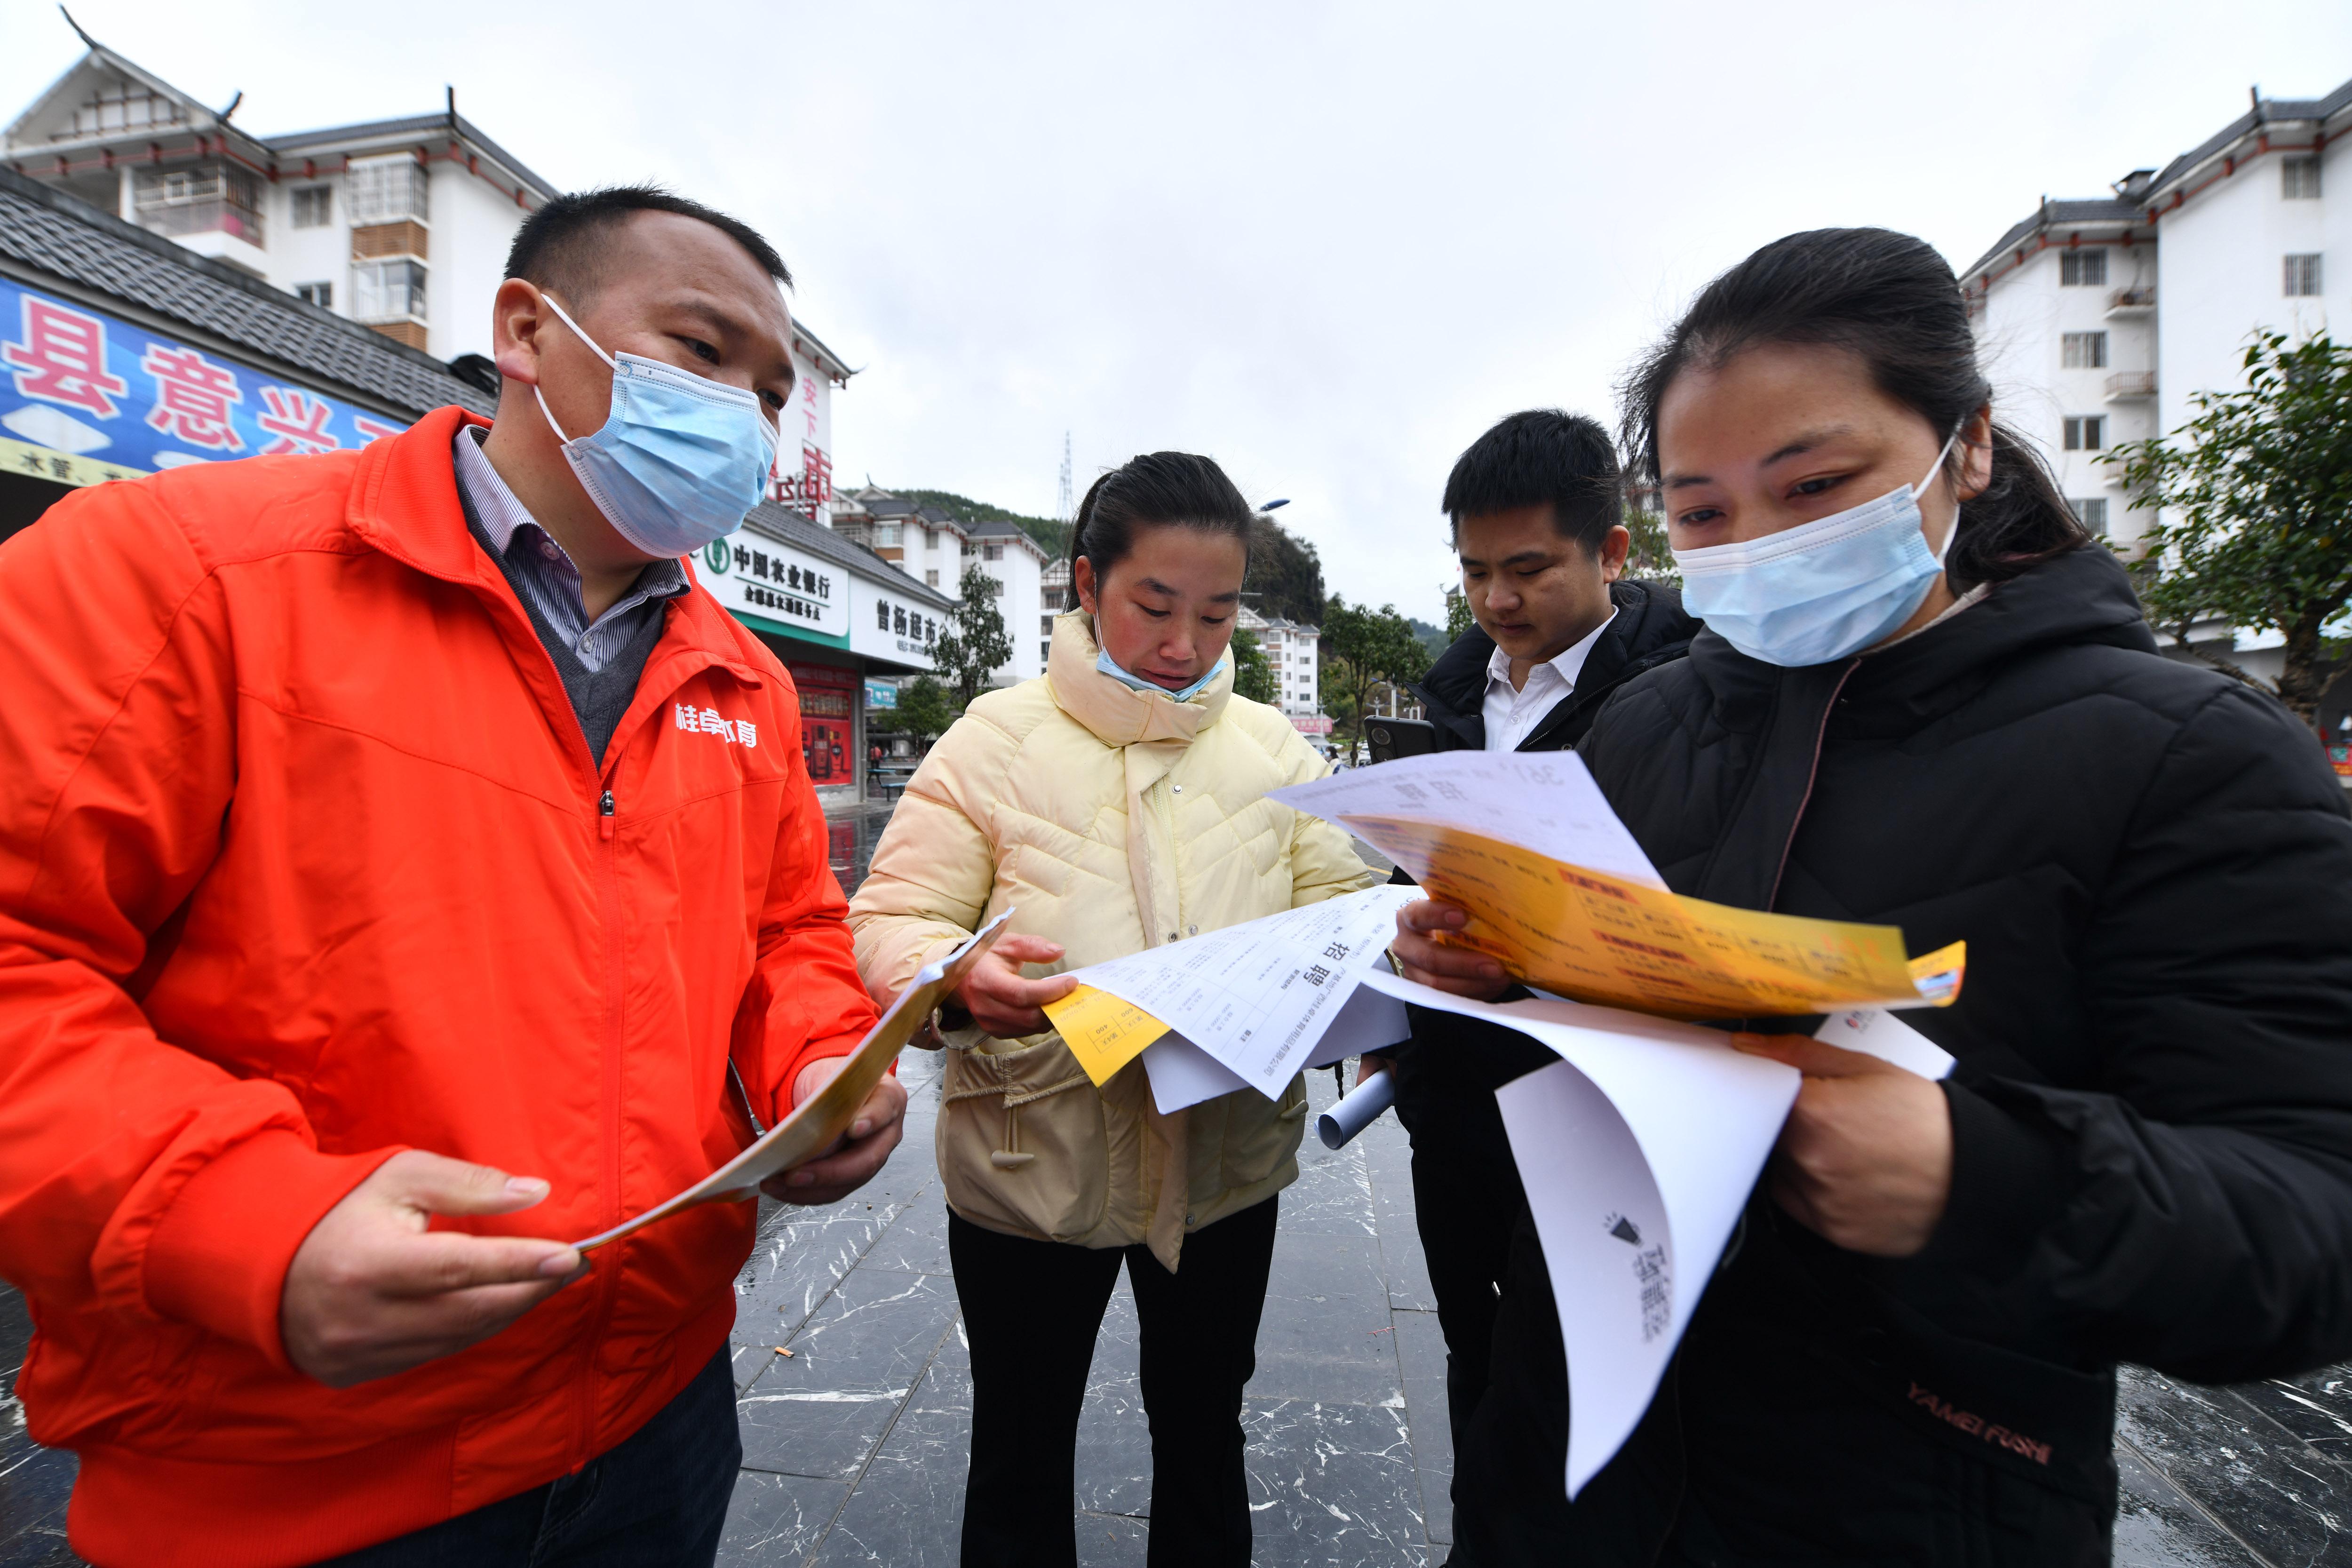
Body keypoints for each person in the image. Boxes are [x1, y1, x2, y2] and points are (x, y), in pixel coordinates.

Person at [1394, 227, 2352, 1565]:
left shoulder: (2185, 759)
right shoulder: (1645, 728)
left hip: (1917, 1493)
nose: (1761, 543)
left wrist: (1985, 1178)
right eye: (1706, 509)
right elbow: (1596, 1018)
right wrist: (1504, 965)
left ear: (1965, 444)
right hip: (1571, 1456)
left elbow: (2312, 1222)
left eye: (1816, 484)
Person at [0, 186, 910, 1568]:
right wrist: (237, 1215)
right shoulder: (183, 573)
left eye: (772, 392)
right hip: (295, 1463)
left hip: (659, 1410)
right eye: (704, 351)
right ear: (528, 333)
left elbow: (788, 934)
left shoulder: (748, 680)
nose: (742, 414)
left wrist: (821, 1066)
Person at [846, 453, 1377, 1568]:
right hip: (1031, 1157)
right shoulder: (994, 736)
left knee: (1202, 1430)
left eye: (1219, 611)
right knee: (1021, 1447)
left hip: (1226, 1161)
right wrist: (954, 977)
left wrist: (1352, 960)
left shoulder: (1274, 748)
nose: (1186, 642)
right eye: (1155, 605)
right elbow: (891, 911)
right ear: (1087, 583)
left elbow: (1339, 903)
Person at [1358, 409, 1695, 1527]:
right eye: (1474, 571)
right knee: (1473, 1345)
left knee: (1589, 1374)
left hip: (1599, 1104)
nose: (1498, 600)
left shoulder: (1691, 693)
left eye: (1528, 568)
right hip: (1456, 1100)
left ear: (1612, 552)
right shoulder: (1457, 692)